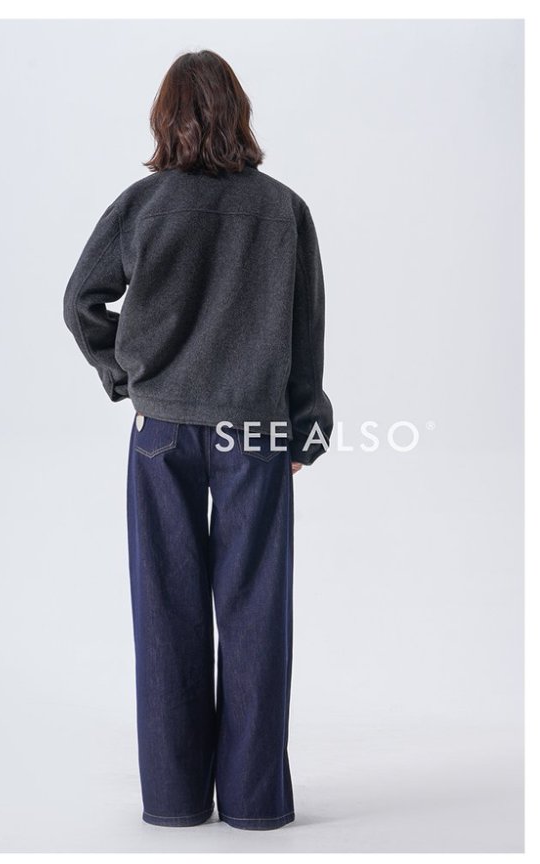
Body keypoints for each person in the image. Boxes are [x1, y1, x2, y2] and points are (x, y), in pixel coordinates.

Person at [63, 49, 333, 831]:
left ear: (166, 117)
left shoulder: (144, 205)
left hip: (161, 433)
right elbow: (305, 330)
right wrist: (305, 429)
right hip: (256, 429)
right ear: (239, 113)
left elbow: (81, 301)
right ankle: (253, 802)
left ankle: (175, 801)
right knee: (256, 611)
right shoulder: (283, 209)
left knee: (165, 611)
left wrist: (128, 377)